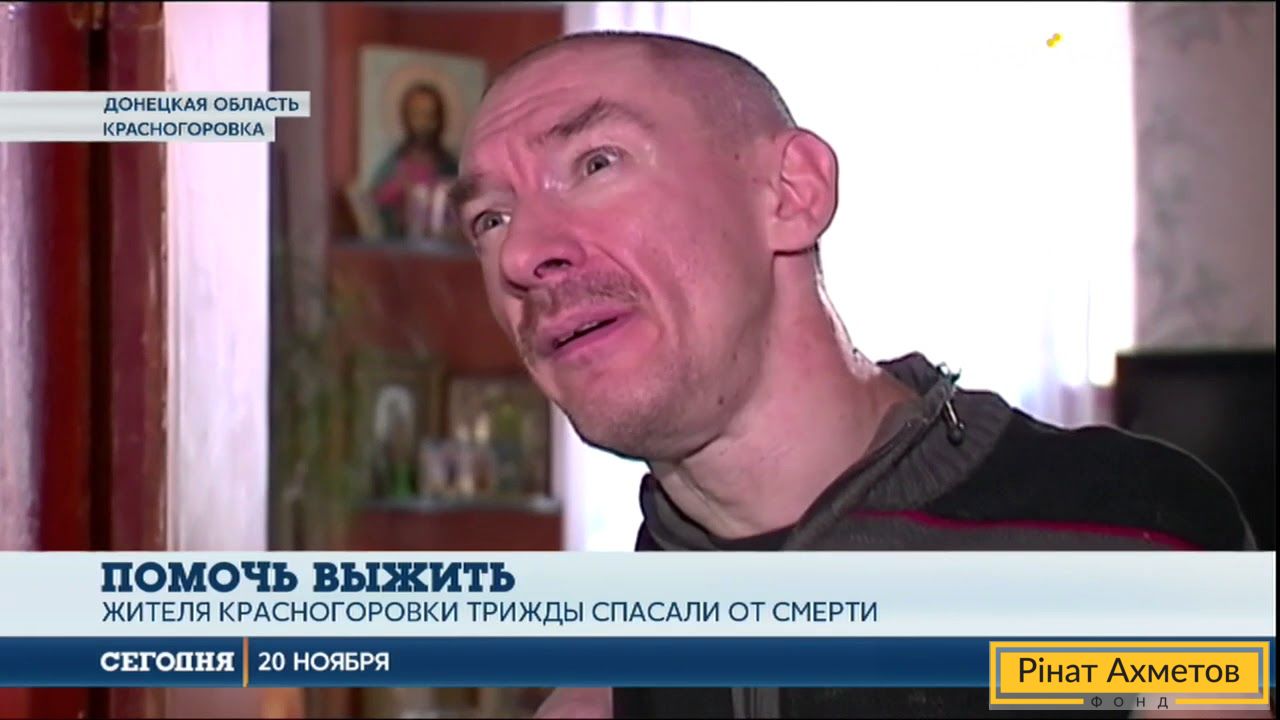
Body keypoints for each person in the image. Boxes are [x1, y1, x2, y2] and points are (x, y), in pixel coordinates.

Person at [449, 31, 1260, 719]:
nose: (522, 254)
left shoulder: (1122, 546)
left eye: (596, 163)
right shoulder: (614, 679)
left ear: (791, 193)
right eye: (491, 218)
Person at [371, 82, 459, 238]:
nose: (423, 124)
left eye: (430, 116)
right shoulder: (393, 164)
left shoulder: (450, 166)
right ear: (406, 118)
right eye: (416, 115)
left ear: (440, 119)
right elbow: (374, 207)